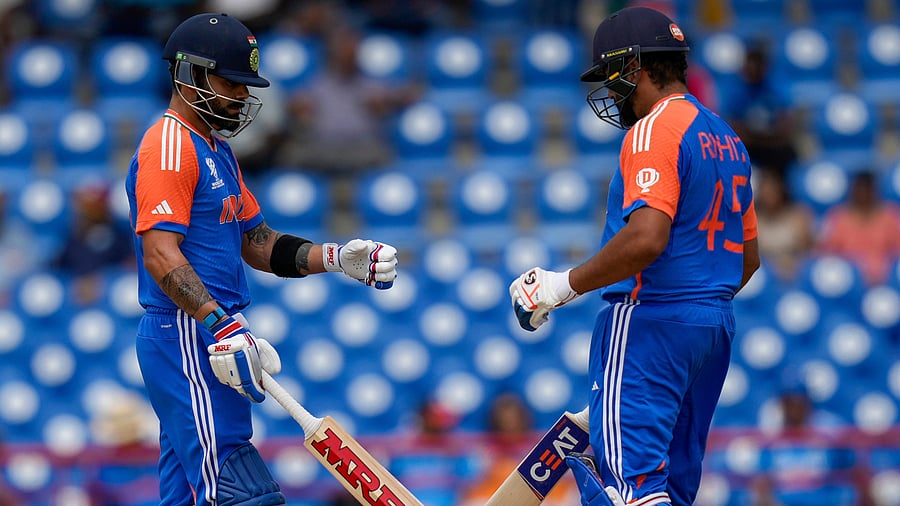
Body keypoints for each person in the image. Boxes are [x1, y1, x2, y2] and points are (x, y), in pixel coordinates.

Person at [124, 13, 399, 506]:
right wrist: (220, 325)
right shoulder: (169, 145)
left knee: (188, 494)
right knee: (241, 492)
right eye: (230, 82)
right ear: (189, 74)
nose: (240, 96)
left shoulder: (215, 148)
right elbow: (161, 255)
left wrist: (335, 256)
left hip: (206, 332)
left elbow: (257, 242)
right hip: (189, 334)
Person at [508, 7, 760, 506]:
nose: (607, 89)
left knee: (632, 490)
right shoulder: (728, 139)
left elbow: (647, 238)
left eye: (611, 74)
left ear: (638, 68)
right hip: (713, 328)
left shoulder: (651, 129)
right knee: (671, 493)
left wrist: (561, 286)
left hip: (651, 323)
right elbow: (747, 260)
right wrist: (695, 301)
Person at [275, 22, 420, 174]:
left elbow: (412, 94)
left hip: (362, 148)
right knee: (291, 154)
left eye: (353, 48)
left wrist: (388, 102)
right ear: (332, 52)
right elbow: (291, 103)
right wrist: (298, 109)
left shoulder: (371, 84)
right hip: (322, 148)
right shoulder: (316, 84)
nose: (348, 53)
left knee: (383, 156)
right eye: (343, 47)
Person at [720, 43, 798, 177]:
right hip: (748, 146)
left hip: (773, 146)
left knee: (789, 153)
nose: (752, 71)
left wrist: (763, 137)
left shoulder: (776, 88)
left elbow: (787, 127)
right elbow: (733, 129)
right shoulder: (736, 90)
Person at [816, 170, 900, 286]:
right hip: (846, 282)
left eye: (867, 189)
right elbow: (827, 252)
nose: (863, 194)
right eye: (860, 189)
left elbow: (897, 250)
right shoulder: (837, 217)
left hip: (887, 282)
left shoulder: (891, 215)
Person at [754, 168, 815, 282]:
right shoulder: (752, 220)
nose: (769, 196)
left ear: (781, 191)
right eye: (765, 191)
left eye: (773, 191)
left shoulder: (799, 216)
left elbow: (808, 251)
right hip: (762, 278)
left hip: (795, 274)